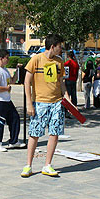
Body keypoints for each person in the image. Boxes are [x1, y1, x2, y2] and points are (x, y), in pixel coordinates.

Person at [21, 34, 70, 178]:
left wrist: (68, 100)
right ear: (53, 46)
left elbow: (61, 83)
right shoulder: (36, 59)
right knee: (34, 134)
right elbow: (26, 82)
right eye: (60, 46)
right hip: (40, 102)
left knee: (54, 133)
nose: (61, 49)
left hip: (57, 103)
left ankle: (47, 164)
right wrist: (29, 103)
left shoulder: (59, 62)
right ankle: (28, 165)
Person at [0, 49, 26, 152]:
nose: (8, 59)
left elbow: (12, 81)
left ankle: (13, 141)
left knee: (14, 118)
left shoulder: (4, 70)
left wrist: (17, 70)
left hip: (6, 100)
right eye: (7, 57)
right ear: (1, 58)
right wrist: (7, 88)